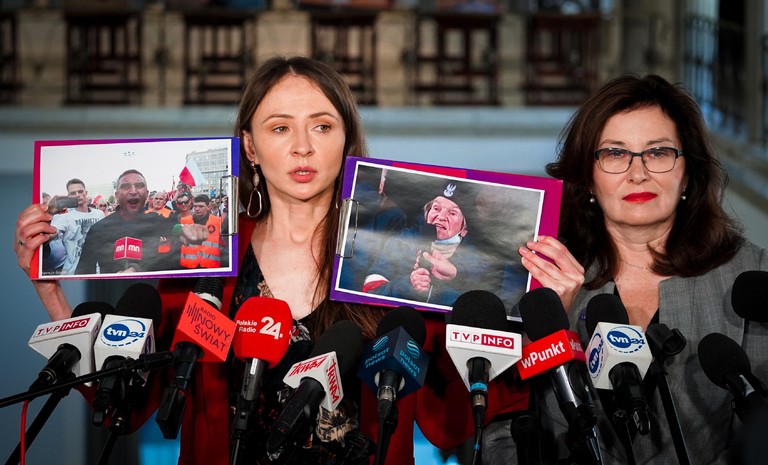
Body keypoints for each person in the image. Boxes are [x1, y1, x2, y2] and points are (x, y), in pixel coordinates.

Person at [15, 56, 527, 465]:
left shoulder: (395, 255)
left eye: (322, 126)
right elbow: (125, 407)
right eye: (280, 128)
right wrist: (52, 293)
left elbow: (446, 422)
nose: (302, 147)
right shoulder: (204, 257)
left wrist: (531, 312)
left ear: (346, 140)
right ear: (250, 147)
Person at [482, 74, 768, 464]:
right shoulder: (537, 274)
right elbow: (503, 432)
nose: (638, 173)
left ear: (688, 173)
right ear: (588, 179)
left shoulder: (751, 274)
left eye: (658, 152)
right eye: (615, 154)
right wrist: (547, 328)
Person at [363, 179, 504, 307]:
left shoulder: (481, 259)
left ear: (464, 229)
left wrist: (455, 274)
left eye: (452, 213)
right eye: (436, 209)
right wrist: (407, 285)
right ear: (426, 213)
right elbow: (370, 292)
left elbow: (486, 301)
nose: (441, 217)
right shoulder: (400, 243)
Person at [74, 169, 209, 274]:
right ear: (116, 195)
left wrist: (188, 230)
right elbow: (83, 273)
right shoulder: (99, 229)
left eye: (139, 186)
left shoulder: (158, 221)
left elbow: (176, 229)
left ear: (146, 194)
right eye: (126, 186)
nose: (133, 191)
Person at [47, 178, 105, 275]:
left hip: (98, 270)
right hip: (73, 272)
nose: (77, 195)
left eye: (80, 191)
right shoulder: (64, 217)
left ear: (86, 193)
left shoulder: (99, 214)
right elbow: (46, 238)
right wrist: (48, 211)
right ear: (69, 196)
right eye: (73, 193)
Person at [179, 194, 225, 269]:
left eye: (201, 206)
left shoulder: (218, 221)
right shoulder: (184, 221)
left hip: (210, 266)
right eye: (195, 206)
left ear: (208, 207)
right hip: (188, 265)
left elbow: (223, 243)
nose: (197, 209)